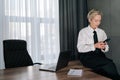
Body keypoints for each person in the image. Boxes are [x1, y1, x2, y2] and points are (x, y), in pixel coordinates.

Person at [77, 9, 120, 80]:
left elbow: (106, 48)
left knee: (107, 69)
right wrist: (94, 46)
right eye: (96, 21)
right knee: (109, 64)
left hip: (99, 56)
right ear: (89, 20)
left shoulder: (102, 32)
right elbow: (80, 48)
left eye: (99, 20)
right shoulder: (83, 32)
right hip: (87, 56)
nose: (98, 23)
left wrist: (103, 47)